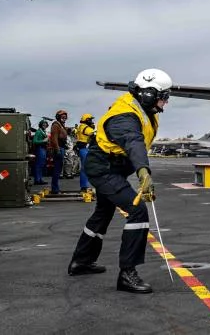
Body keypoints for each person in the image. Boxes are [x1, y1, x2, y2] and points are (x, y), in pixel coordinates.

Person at [67, 68, 172, 294]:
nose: (165, 103)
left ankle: (81, 262)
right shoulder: (123, 116)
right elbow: (133, 141)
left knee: (103, 213)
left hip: (112, 167)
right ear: (148, 94)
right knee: (138, 212)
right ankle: (127, 274)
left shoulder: (141, 109)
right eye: (163, 97)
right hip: (104, 168)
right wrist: (144, 173)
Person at [48, 110, 68, 194]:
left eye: (65, 117)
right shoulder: (56, 125)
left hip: (61, 147)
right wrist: (57, 149)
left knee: (59, 169)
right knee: (57, 169)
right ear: (58, 117)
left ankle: (55, 188)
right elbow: (54, 138)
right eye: (62, 117)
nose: (64, 118)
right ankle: (55, 189)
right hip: (58, 148)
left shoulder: (61, 125)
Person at [75, 114, 96, 191]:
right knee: (85, 168)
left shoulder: (81, 126)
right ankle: (84, 186)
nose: (91, 121)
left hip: (82, 149)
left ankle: (84, 185)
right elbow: (94, 134)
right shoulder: (85, 127)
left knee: (84, 167)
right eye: (90, 120)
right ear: (87, 120)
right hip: (84, 149)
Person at [32, 120, 50, 185]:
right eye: (43, 124)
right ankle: (37, 179)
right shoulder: (38, 132)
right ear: (41, 125)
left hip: (43, 149)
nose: (45, 126)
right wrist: (43, 141)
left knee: (41, 165)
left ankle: (39, 179)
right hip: (40, 149)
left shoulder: (42, 132)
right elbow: (34, 141)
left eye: (45, 125)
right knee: (39, 165)